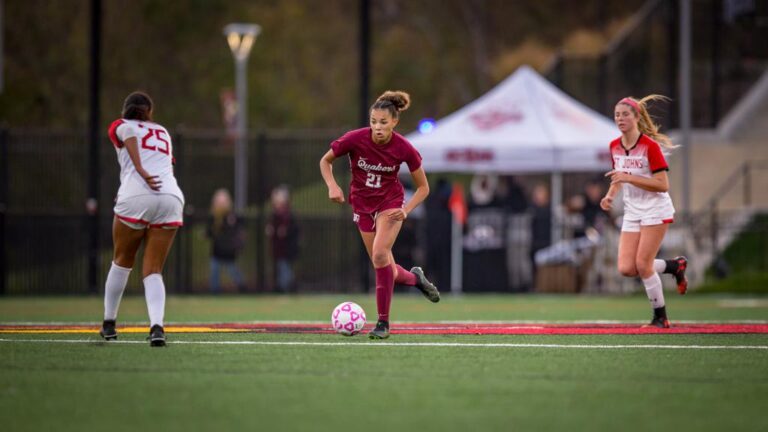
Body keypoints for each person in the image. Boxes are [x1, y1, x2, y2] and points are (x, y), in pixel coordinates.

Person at [319, 90, 439, 339]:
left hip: (390, 204)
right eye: (374, 121)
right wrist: (332, 185)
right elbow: (325, 161)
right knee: (384, 265)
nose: (378, 127)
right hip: (361, 206)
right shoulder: (356, 139)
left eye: (383, 122)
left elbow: (423, 188)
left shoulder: (404, 147)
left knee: (380, 254)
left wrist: (405, 210)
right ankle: (415, 279)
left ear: (394, 122)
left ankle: (383, 323)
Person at [100, 91, 184, 346]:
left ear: (126, 109)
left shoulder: (121, 125)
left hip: (136, 195)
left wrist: (139, 169)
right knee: (153, 270)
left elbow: (130, 136)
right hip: (170, 196)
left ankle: (109, 324)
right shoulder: (162, 131)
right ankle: (157, 327)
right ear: (150, 112)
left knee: (122, 261)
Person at [601, 95, 688, 329]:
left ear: (637, 117)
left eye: (625, 114)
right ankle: (674, 266)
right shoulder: (614, 146)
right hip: (632, 211)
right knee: (627, 268)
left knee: (643, 264)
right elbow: (619, 176)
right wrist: (610, 195)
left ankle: (660, 317)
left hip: (655, 209)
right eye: (617, 115)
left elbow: (662, 184)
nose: (620, 118)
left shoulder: (649, 146)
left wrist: (629, 177)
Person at [206, 188, 246, 293]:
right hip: (217, 251)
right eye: (219, 201)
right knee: (214, 271)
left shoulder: (232, 216)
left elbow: (236, 231)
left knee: (233, 271)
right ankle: (214, 290)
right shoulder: (214, 217)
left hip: (228, 251)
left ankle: (243, 287)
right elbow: (210, 232)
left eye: (223, 201)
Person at [266, 185, 300, 292]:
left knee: (284, 268)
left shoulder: (288, 215)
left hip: (287, 248)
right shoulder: (274, 215)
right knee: (282, 268)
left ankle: (285, 287)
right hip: (278, 248)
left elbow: (294, 230)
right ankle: (286, 286)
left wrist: (286, 231)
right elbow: (272, 228)